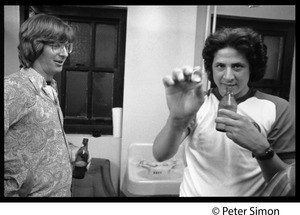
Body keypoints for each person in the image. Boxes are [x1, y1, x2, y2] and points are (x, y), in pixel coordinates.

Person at [153, 27, 295, 196]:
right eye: (220, 66)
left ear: (252, 68)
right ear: (211, 69)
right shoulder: (198, 103)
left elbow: (287, 186)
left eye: (237, 66)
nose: (228, 77)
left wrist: (262, 149)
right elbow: (160, 155)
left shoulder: (277, 108)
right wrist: (176, 120)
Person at [4, 13, 90, 197]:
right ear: (35, 45)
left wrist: (70, 150)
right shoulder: (13, 88)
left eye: (67, 46)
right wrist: (13, 183)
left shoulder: (49, 87)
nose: (65, 53)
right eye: (56, 45)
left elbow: (42, 138)